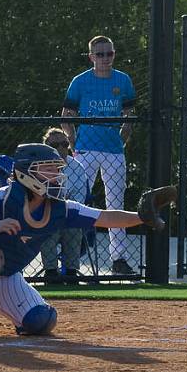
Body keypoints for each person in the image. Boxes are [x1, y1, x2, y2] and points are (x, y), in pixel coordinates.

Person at [0, 144, 174, 337]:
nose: (56, 174)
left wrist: (142, 217)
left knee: (41, 321)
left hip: (5, 275)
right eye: (49, 169)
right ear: (25, 173)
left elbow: (105, 217)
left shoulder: (60, 208)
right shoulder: (3, 196)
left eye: (58, 169)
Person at [61, 35, 137, 275]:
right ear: (91, 56)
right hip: (86, 149)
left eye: (109, 53)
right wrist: (73, 141)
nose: (105, 58)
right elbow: (67, 115)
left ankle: (119, 259)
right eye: (100, 54)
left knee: (116, 204)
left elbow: (130, 113)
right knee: (77, 202)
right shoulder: (80, 81)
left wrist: (124, 135)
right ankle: (71, 261)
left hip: (114, 150)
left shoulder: (123, 80)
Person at [38, 128, 89, 283]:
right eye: (56, 145)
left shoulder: (77, 167)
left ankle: (71, 272)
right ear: (46, 146)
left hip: (68, 212)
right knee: (48, 225)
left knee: (74, 226)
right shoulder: (38, 166)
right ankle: (51, 272)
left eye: (64, 144)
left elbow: (79, 199)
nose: (61, 148)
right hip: (46, 212)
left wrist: (57, 200)